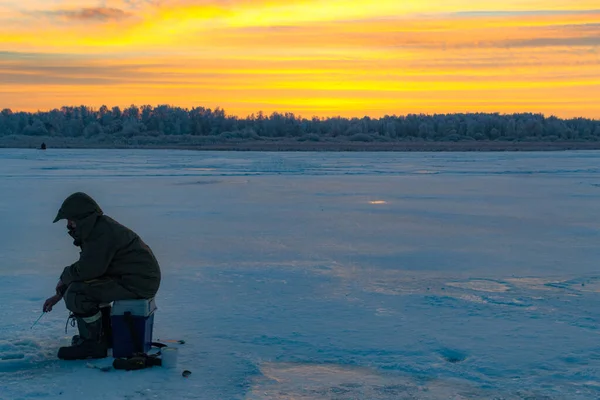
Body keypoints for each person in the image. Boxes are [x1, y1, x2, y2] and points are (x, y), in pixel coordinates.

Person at [43, 192, 161, 360]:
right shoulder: (98, 228)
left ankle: (93, 345)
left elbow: (88, 270)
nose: (68, 225)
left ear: (82, 218)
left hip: (137, 283)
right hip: (135, 279)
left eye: (70, 220)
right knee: (82, 287)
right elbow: (90, 270)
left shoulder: (101, 233)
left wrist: (64, 278)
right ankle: (103, 337)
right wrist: (59, 293)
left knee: (78, 293)